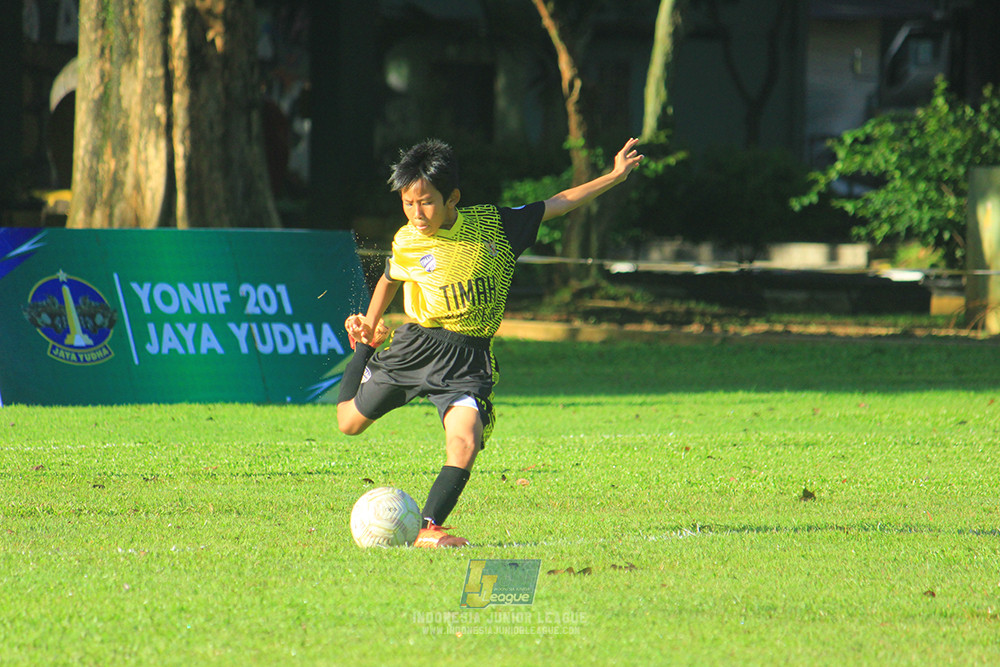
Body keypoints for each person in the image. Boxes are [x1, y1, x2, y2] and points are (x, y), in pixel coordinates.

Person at [336, 137, 643, 547]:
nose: (417, 213)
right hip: (417, 346)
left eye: (426, 201)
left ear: (453, 199)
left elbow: (559, 202)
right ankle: (366, 354)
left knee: (466, 440)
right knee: (348, 423)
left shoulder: (493, 226)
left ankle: (429, 527)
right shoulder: (407, 240)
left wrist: (614, 175)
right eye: (408, 203)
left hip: (467, 357)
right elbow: (391, 279)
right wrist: (369, 329)